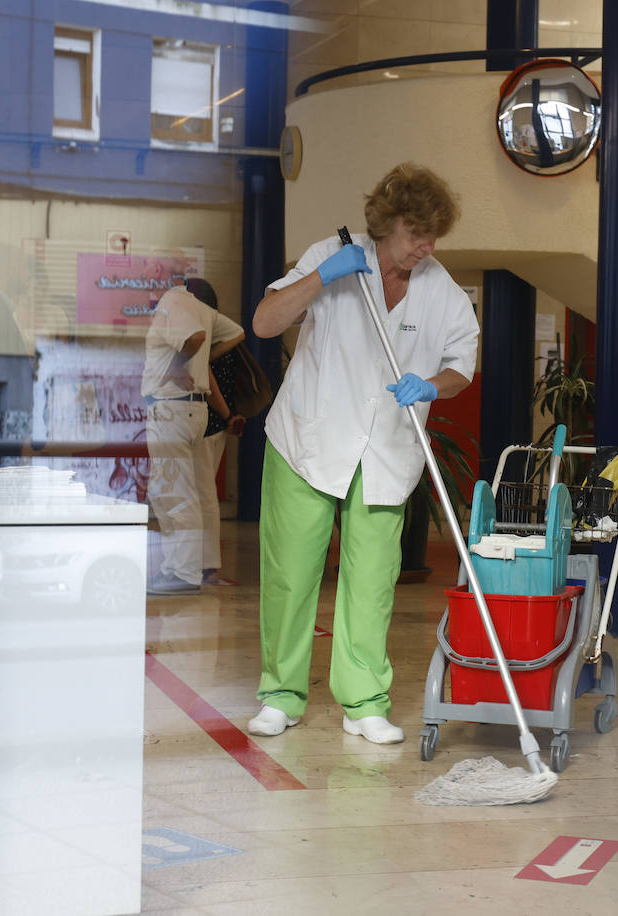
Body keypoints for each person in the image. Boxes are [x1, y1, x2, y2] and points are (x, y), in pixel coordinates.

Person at [246, 163, 479, 744]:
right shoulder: (335, 253)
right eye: (414, 234)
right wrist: (322, 277)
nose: (425, 247)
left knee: (372, 582)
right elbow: (266, 321)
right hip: (309, 441)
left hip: (386, 452)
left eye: (433, 236)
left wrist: (432, 385)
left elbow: (461, 366)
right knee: (291, 575)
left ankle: (365, 702)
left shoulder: (441, 289)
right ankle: (281, 694)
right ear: (385, 224)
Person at [142, 281, 240, 596]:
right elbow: (237, 333)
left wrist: (173, 367)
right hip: (193, 411)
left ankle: (181, 573)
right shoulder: (204, 311)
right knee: (187, 493)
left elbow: (196, 339)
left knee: (173, 494)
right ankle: (181, 568)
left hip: (171, 409)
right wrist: (201, 360)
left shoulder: (175, 300)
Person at [184, 277, 247, 586]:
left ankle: (205, 563)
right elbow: (240, 333)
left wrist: (225, 413)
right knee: (203, 492)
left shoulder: (201, 335)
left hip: (209, 422)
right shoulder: (220, 338)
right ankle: (204, 563)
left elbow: (209, 386)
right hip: (217, 425)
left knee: (201, 493)